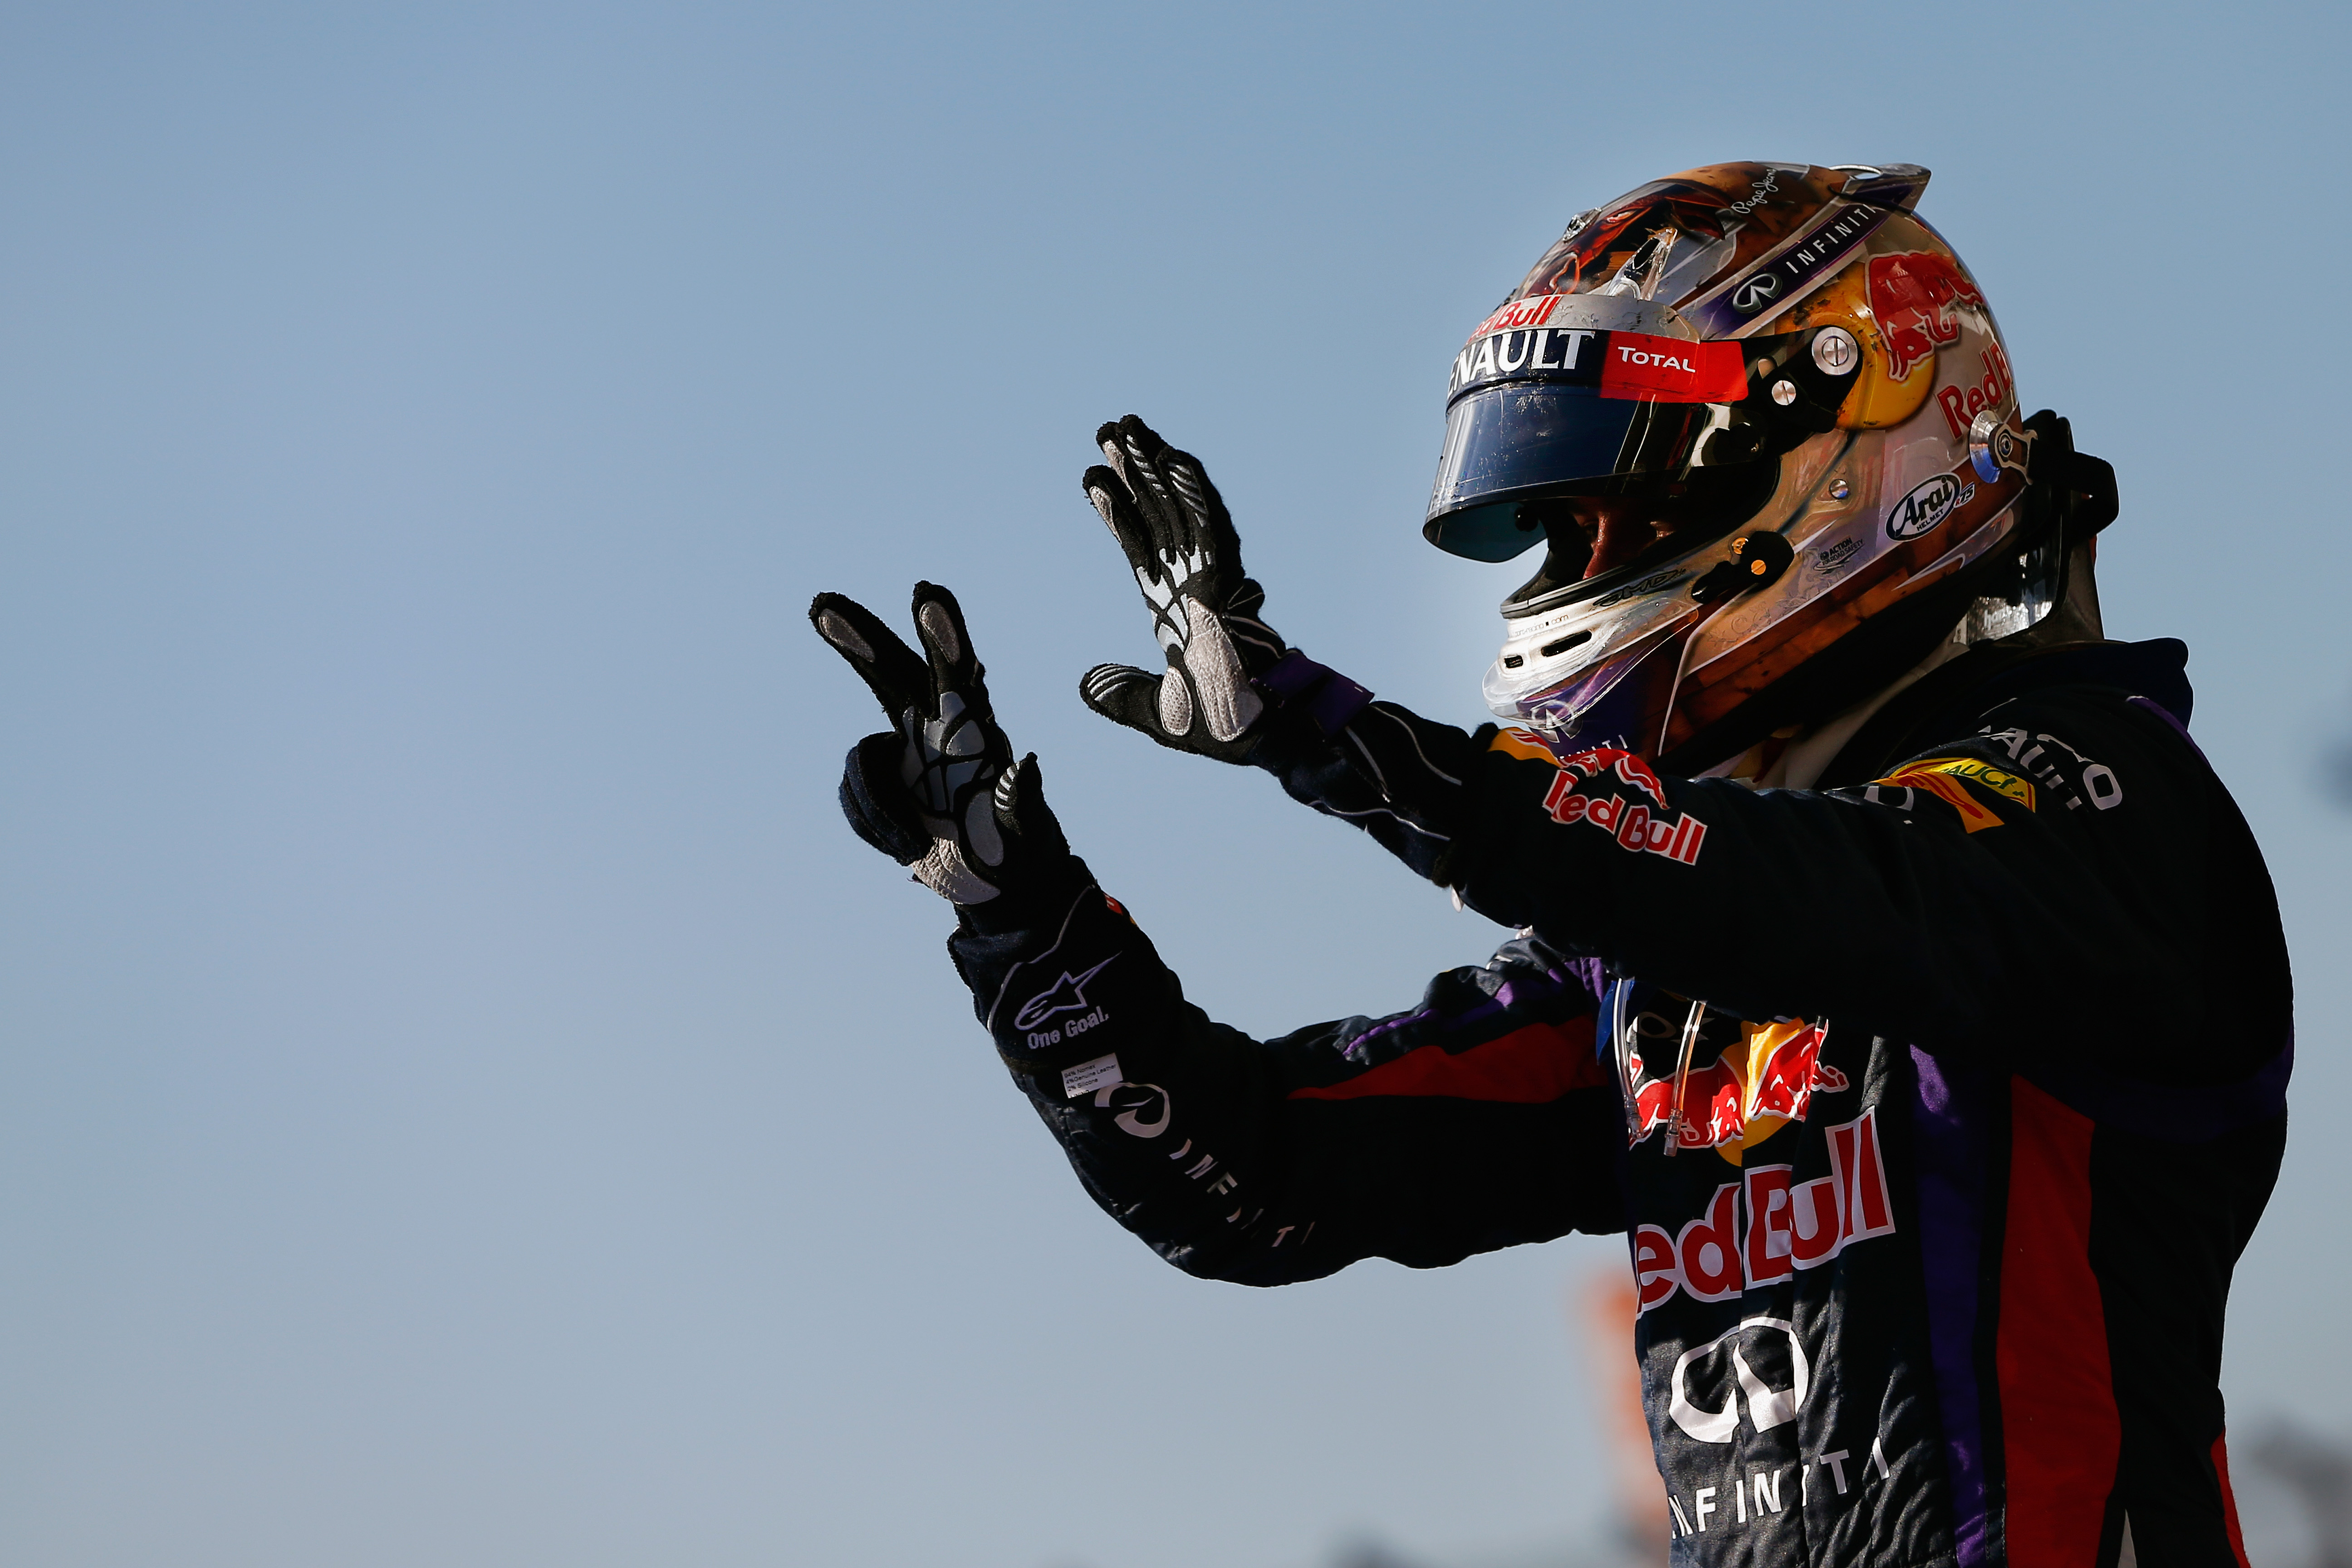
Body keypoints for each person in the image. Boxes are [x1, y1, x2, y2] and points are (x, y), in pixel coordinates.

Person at [810, 162, 2289, 1568]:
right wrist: (1024, 924)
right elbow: (1260, 1177)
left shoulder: (2103, 802)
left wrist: (1338, 740)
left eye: (1627, 515)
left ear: (1847, 447)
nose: (1576, 574)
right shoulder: (1659, 959)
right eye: (1563, 530)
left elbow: (1810, 891)